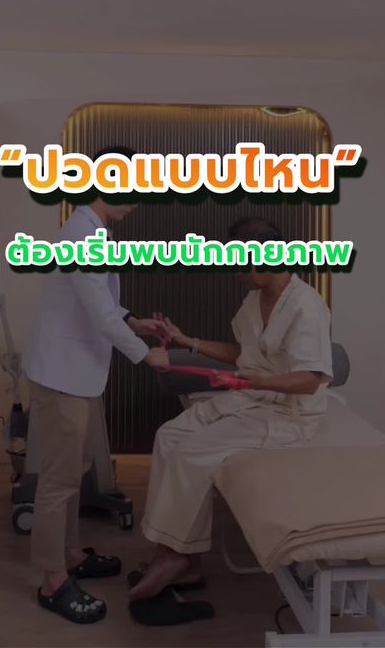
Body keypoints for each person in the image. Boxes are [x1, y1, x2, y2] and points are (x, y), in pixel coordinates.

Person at [129, 216, 333, 601]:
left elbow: (311, 379)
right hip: (251, 399)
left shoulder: (306, 306)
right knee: (169, 436)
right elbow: (242, 353)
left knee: (190, 453)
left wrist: (257, 382)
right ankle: (173, 551)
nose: (235, 273)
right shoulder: (254, 299)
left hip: (287, 415)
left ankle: (177, 557)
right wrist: (186, 341)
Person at [22, 146, 169, 624]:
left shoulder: (94, 232)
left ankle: (68, 554)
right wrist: (146, 353)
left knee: (76, 469)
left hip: (79, 373)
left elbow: (101, 302)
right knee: (58, 481)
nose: (139, 200)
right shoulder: (82, 234)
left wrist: (134, 321)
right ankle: (52, 581)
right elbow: (101, 315)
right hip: (63, 373)